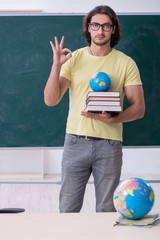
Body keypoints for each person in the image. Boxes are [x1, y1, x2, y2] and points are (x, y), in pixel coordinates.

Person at [44, 5, 145, 213]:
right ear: (88, 29)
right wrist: (56, 66)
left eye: (106, 26)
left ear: (114, 29)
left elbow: (139, 108)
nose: (100, 30)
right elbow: (50, 100)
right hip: (75, 141)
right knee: (68, 210)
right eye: (95, 25)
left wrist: (113, 119)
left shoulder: (126, 63)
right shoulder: (73, 59)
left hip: (109, 145)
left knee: (107, 212)